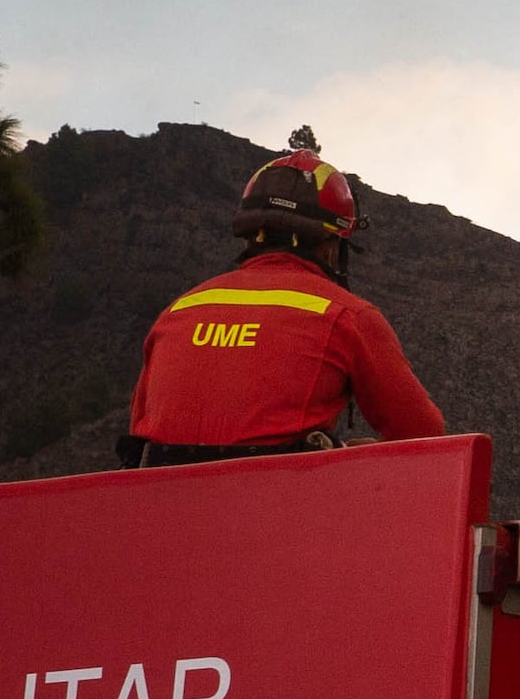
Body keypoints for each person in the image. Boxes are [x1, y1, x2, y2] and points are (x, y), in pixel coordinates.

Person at [117, 128, 445, 466]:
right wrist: (353, 455)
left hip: (159, 510)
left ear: (250, 235)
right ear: (332, 244)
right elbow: (423, 434)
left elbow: (142, 429)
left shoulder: (179, 310)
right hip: (283, 511)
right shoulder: (348, 315)